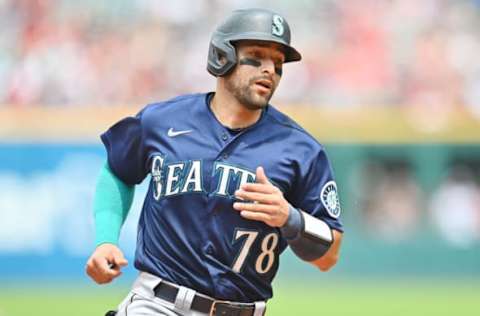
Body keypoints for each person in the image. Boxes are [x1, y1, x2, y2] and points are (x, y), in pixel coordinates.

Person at [86, 8, 344, 316]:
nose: (269, 70)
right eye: (257, 56)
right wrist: (105, 240)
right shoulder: (162, 121)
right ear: (223, 57)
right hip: (158, 304)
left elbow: (329, 254)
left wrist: (289, 217)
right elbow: (117, 172)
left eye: (278, 63)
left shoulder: (301, 150)